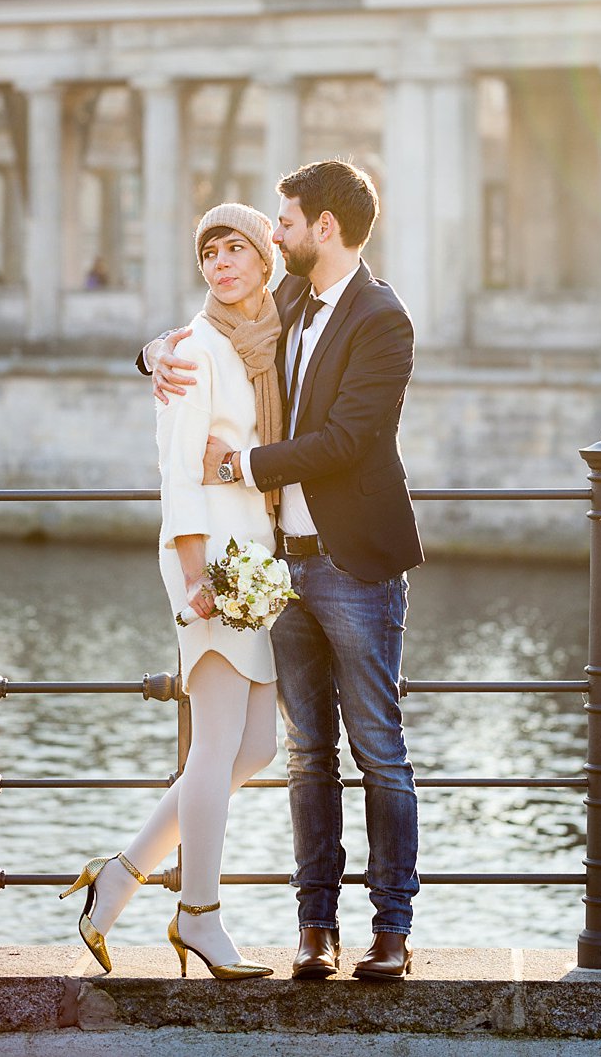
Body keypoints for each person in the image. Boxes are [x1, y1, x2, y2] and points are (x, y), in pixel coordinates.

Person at [143, 160, 423, 981]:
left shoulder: (382, 318)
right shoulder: (290, 300)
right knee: (306, 756)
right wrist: (153, 352)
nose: (276, 231)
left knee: (379, 749)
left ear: (323, 228)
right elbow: (214, 328)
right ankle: (315, 928)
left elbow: (347, 440)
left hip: (358, 565)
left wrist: (243, 467)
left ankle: (393, 928)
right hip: (285, 570)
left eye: (286, 220)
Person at [61, 203, 285, 981]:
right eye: (209, 252)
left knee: (258, 746)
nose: (221, 262)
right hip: (213, 566)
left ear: (264, 259)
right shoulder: (193, 349)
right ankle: (198, 914)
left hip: (253, 563)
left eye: (236, 248)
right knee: (221, 739)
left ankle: (118, 878)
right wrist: (195, 579)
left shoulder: (263, 340)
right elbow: (179, 470)